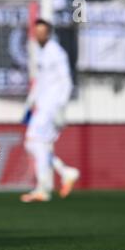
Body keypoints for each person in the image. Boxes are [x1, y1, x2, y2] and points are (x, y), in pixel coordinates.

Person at [20, 19, 80, 203]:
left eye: (43, 32)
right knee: (39, 145)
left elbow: (67, 80)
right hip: (43, 105)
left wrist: (61, 106)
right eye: (36, 31)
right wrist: (30, 101)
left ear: (49, 33)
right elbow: (41, 81)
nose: (39, 35)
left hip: (52, 107)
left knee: (33, 142)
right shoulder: (42, 52)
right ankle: (64, 173)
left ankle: (44, 188)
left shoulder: (56, 52)